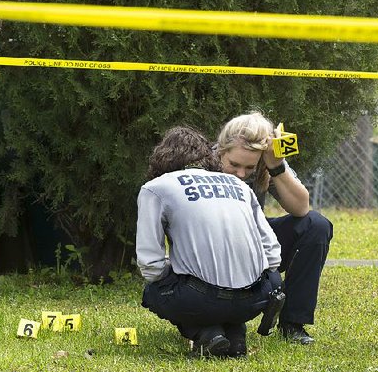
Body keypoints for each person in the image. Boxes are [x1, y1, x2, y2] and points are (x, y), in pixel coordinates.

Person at [137, 127, 282, 358]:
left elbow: (150, 266)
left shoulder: (156, 188)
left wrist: (174, 270)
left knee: (153, 291)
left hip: (200, 299)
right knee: (260, 281)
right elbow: (273, 255)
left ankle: (206, 332)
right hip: (258, 296)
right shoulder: (240, 187)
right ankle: (235, 337)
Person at [216, 112, 333, 345]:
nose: (241, 174)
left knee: (315, 225)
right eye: (234, 164)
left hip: (254, 236)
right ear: (221, 151)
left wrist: (276, 166)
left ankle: (292, 324)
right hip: (216, 241)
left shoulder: (268, 163)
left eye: (249, 167)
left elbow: (301, 208)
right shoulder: (204, 162)